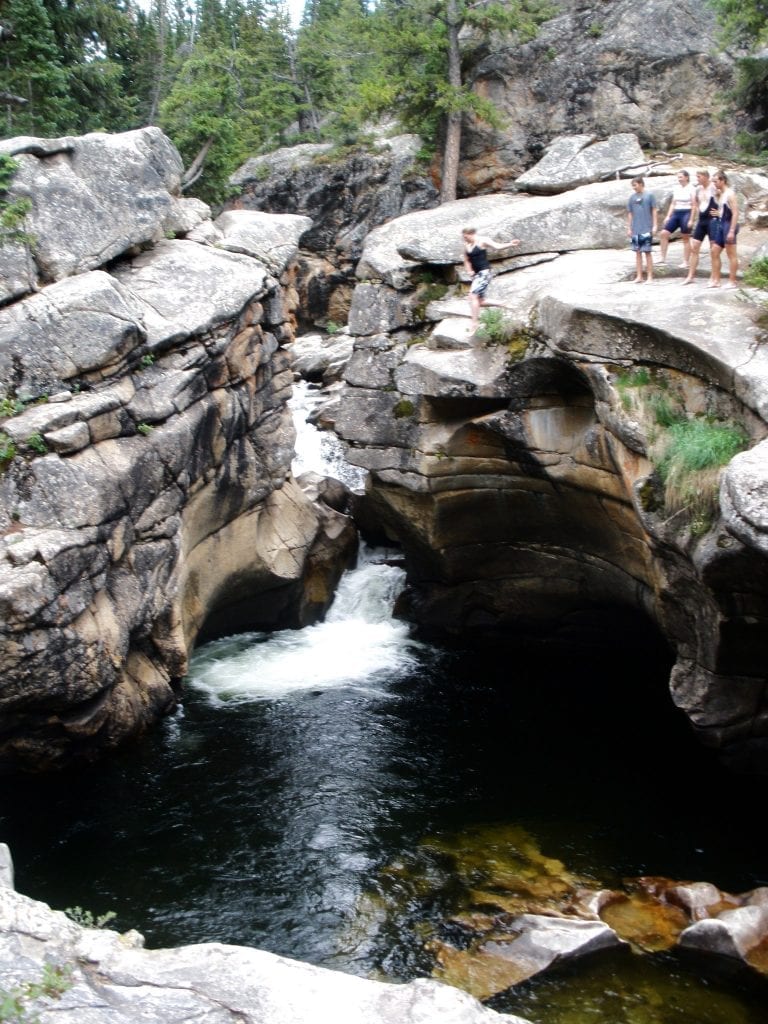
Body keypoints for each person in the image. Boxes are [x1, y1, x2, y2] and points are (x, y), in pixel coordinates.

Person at [462, 227, 520, 329]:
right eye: (463, 237)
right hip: (476, 275)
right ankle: (502, 304)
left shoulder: (482, 240)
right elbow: (466, 260)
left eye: (466, 237)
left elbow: (497, 246)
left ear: (471, 234)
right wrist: (469, 270)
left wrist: (510, 244)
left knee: (473, 296)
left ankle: (474, 324)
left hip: (484, 272)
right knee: (479, 302)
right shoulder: (466, 245)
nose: (464, 239)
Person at [682, 169, 717, 285]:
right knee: (694, 247)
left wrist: (720, 212)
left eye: (699, 177)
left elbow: (725, 200)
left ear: (706, 177)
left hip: (712, 220)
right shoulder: (698, 189)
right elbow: (695, 204)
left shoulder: (714, 187)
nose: (697, 179)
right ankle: (690, 276)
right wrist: (693, 218)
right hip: (702, 220)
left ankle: (713, 276)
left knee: (713, 250)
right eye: (697, 177)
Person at [708, 171, 740, 289]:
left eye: (715, 181)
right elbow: (724, 210)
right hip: (722, 224)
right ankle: (716, 280)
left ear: (723, 181)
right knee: (714, 251)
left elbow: (735, 212)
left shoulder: (730, 194)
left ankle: (732, 281)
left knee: (731, 254)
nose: (714, 183)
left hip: (728, 225)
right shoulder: (722, 193)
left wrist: (731, 230)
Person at [659, 169, 695, 266]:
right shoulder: (677, 188)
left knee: (685, 237)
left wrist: (691, 219)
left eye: (681, 177)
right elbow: (673, 203)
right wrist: (668, 216)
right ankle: (662, 258)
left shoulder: (691, 188)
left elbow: (694, 205)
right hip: (676, 212)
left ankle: (686, 261)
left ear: (686, 177)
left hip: (686, 212)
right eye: (678, 177)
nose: (679, 179)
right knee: (664, 233)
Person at [626, 177, 658, 283]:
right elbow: (630, 213)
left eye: (635, 185)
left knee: (647, 252)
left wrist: (655, 225)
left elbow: (654, 210)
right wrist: (629, 228)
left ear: (641, 184)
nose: (633, 187)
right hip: (636, 228)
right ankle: (639, 276)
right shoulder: (632, 198)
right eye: (633, 185)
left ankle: (650, 277)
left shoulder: (649, 196)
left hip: (646, 228)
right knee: (638, 252)